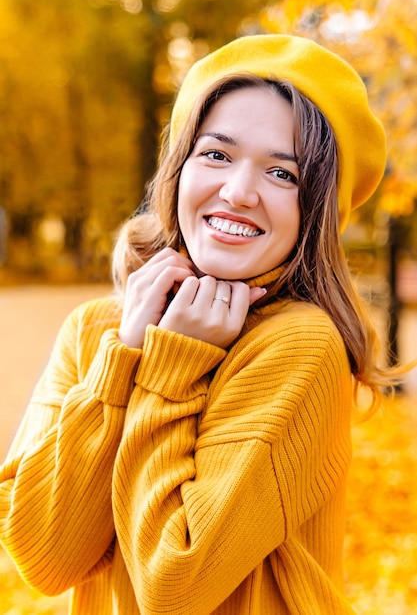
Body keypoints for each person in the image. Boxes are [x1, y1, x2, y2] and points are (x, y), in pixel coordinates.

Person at [0, 34, 400, 614]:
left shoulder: (300, 346)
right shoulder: (95, 332)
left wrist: (169, 372)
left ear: (318, 210)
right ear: (178, 168)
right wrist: (124, 360)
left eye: (282, 175)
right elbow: (43, 559)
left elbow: (175, 587)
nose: (238, 192)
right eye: (216, 154)